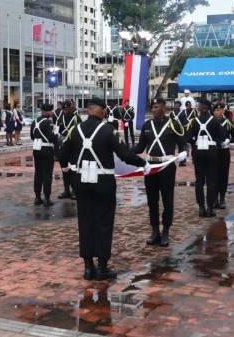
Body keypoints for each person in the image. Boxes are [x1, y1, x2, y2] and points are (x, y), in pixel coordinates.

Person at [60, 97, 148, 281]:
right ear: (97, 110)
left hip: (81, 182)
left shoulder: (75, 130)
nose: (105, 112)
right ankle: (102, 267)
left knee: (85, 222)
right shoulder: (109, 130)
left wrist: (69, 170)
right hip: (103, 183)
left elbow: (61, 154)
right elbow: (125, 155)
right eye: (104, 109)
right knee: (104, 222)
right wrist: (143, 163)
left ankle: (87, 267)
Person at [133, 98, 187, 247]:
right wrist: (122, 152)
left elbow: (182, 143)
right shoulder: (147, 125)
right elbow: (139, 148)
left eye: (156, 107)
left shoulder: (174, 124)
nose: (153, 109)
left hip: (166, 166)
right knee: (152, 200)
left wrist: (184, 153)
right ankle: (155, 230)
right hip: (150, 166)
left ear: (164, 107)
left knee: (167, 200)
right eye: (152, 107)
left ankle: (165, 231)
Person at [186, 99, 227, 218]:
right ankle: (210, 208)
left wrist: (196, 143)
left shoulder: (194, 121)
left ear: (201, 108)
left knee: (199, 181)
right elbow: (223, 137)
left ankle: (201, 208)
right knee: (211, 181)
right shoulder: (214, 121)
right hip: (211, 152)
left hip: (198, 152)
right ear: (208, 108)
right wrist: (215, 143)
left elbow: (188, 137)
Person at [30, 103, 56, 207]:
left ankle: (37, 197)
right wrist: (56, 137)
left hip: (36, 149)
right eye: (50, 111)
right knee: (47, 175)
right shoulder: (48, 122)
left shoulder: (34, 121)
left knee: (38, 173)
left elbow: (32, 136)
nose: (52, 113)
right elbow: (50, 137)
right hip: (46, 150)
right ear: (46, 112)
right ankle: (47, 198)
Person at [214, 102, 234, 210]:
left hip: (224, 152)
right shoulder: (211, 122)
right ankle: (214, 198)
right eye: (215, 110)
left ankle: (222, 198)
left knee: (223, 175)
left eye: (219, 110)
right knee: (213, 175)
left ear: (223, 111)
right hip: (213, 152)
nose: (217, 112)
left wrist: (229, 141)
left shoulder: (227, 122)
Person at [57, 100, 82, 200]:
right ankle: (66, 190)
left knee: (74, 169)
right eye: (65, 109)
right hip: (63, 146)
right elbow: (57, 130)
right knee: (64, 169)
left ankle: (74, 190)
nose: (67, 111)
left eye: (69, 108)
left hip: (73, 147)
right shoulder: (60, 117)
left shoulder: (77, 118)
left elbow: (80, 131)